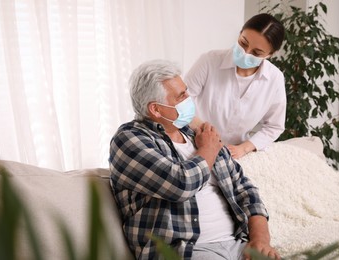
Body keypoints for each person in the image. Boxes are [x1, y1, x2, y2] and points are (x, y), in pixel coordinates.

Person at [109, 59, 280, 260]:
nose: (189, 98)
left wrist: (260, 240)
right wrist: (208, 149)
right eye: (181, 96)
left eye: (186, 91)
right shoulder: (129, 139)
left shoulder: (195, 134)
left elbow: (245, 189)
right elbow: (180, 184)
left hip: (238, 244)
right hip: (187, 252)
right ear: (156, 109)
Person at [184, 13, 286, 159]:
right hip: (195, 142)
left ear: (270, 54)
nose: (245, 53)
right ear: (239, 34)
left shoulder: (274, 79)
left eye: (256, 53)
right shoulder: (210, 61)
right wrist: (206, 136)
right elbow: (182, 101)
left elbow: (274, 126)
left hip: (235, 152)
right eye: (243, 43)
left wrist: (244, 148)